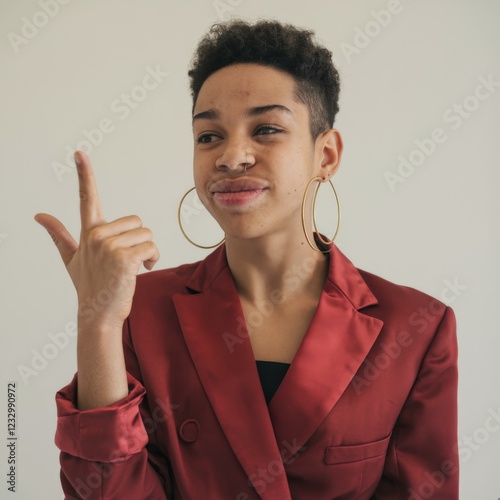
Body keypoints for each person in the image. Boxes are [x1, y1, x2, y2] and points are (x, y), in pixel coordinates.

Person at [35, 18, 459, 500]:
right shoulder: (138, 309)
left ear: (327, 155)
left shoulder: (418, 328)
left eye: (266, 129)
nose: (231, 156)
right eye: (209, 136)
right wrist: (99, 323)